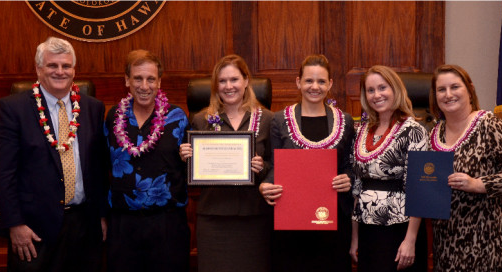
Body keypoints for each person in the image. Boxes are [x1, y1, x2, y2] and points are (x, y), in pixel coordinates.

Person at [0, 36, 107, 272]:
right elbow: (2, 175)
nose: (60, 72)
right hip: (34, 230)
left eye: (66, 65)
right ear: (38, 69)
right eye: (53, 65)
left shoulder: (92, 107)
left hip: (84, 225)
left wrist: (102, 216)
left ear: (74, 70)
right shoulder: (13, 109)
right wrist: (14, 224)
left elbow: (100, 168)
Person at [259, 54, 355, 272]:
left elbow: (350, 166)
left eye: (321, 81)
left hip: (332, 220)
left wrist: (347, 179)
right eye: (309, 80)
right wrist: (265, 185)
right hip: (291, 219)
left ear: (330, 84)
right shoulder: (279, 119)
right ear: (298, 82)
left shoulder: (345, 121)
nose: (315, 87)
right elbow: (274, 164)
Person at [429, 64, 502, 271]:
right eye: (441, 89)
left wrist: (479, 184)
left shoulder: (490, 124)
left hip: (488, 241)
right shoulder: (433, 133)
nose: (448, 94)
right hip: (446, 244)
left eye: (455, 87)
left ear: (470, 89)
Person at [179, 54, 273, 272]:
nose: (229, 86)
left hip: (255, 218)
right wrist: (186, 159)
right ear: (215, 85)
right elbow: (190, 178)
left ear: (246, 81)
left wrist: (263, 167)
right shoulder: (202, 120)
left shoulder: (268, 119)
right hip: (214, 219)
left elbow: (276, 167)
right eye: (222, 81)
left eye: (234, 79)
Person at [104, 50, 190, 271]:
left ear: (159, 81)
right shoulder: (114, 116)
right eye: (137, 78)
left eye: (151, 79)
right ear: (127, 80)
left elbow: (192, 167)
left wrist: (189, 158)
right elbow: (101, 166)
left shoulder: (177, 118)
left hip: (167, 224)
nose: (144, 86)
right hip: (123, 225)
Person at [349, 65, 428, 272]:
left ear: (395, 89)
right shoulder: (361, 130)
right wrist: (354, 237)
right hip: (367, 229)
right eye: (370, 90)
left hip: (400, 229)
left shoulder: (414, 131)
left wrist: (410, 241)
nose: (377, 95)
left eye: (382, 88)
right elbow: (357, 187)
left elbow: (420, 191)